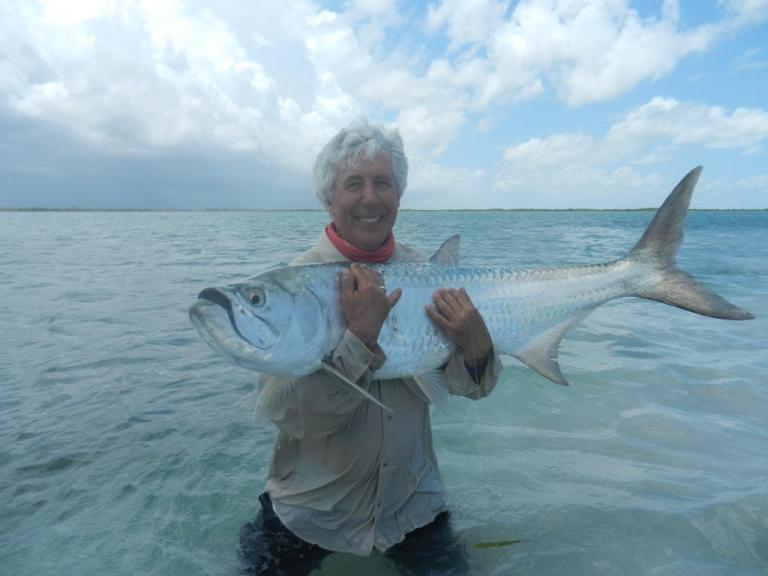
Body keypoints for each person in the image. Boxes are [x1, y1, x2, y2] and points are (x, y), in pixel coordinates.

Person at [239, 119, 503, 575]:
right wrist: (359, 341)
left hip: (413, 507)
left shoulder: (431, 276)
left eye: (383, 183)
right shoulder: (293, 288)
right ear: (328, 198)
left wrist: (478, 351)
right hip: (309, 513)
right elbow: (297, 417)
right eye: (353, 184)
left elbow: (469, 388)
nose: (369, 197)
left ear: (398, 196)